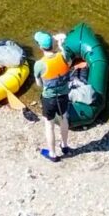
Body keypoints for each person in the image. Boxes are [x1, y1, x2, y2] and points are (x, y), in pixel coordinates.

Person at [32, 29, 72, 161]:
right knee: (64, 118)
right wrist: (61, 45)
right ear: (52, 45)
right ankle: (65, 146)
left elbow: (39, 84)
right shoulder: (63, 56)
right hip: (63, 97)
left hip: (49, 99)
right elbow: (69, 60)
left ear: (40, 46)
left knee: (49, 125)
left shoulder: (39, 64)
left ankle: (52, 154)